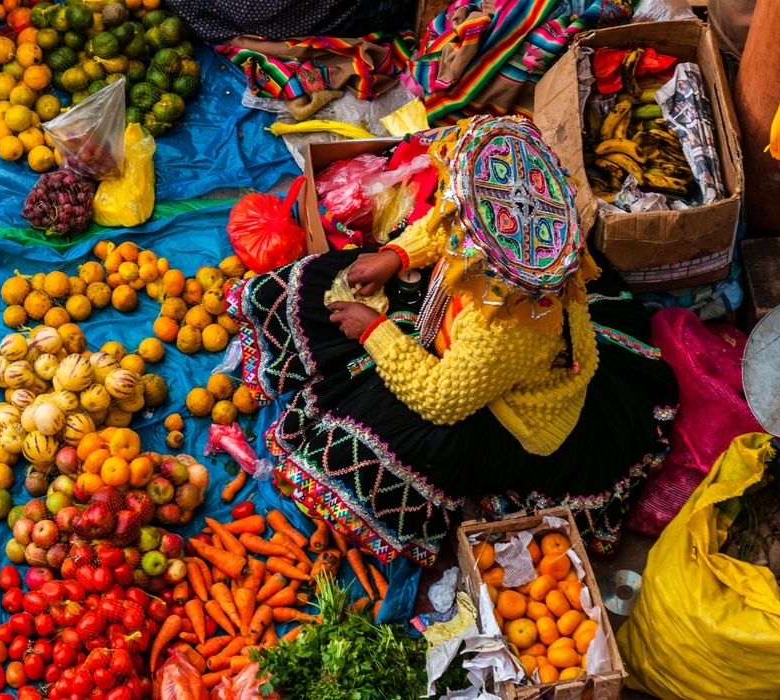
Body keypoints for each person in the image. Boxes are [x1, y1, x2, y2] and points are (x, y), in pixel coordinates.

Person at [227, 116, 678, 566]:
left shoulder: (510, 328)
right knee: (337, 273)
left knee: (386, 437)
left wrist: (373, 332)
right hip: (455, 319)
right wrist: (395, 255)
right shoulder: (484, 220)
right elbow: (443, 228)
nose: (455, 219)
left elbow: (441, 398)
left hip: (504, 407)